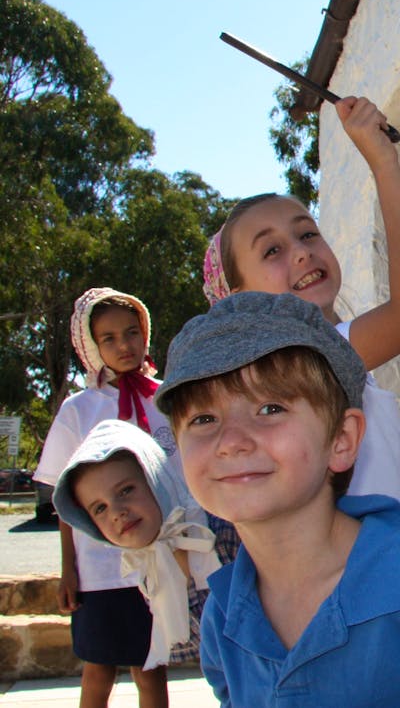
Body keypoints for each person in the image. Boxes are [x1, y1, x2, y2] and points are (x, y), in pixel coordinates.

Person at [154, 291, 400, 707]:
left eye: (270, 408)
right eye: (203, 419)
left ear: (341, 440)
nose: (230, 442)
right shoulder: (223, 616)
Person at [202, 96, 400, 498]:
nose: (300, 250)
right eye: (271, 251)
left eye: (307, 233)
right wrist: (383, 163)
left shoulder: (339, 349)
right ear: (238, 298)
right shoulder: (308, 356)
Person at [34, 287, 183, 708]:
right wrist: (69, 570)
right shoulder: (79, 411)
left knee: (152, 669)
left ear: (145, 334)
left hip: (158, 565)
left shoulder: (169, 398)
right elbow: (66, 501)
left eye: (132, 333)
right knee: (98, 670)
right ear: (92, 345)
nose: (124, 345)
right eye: (109, 338)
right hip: (99, 572)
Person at [53, 419, 221, 673]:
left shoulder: (219, 537)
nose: (117, 512)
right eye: (100, 508)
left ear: (156, 476)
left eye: (125, 491)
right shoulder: (149, 567)